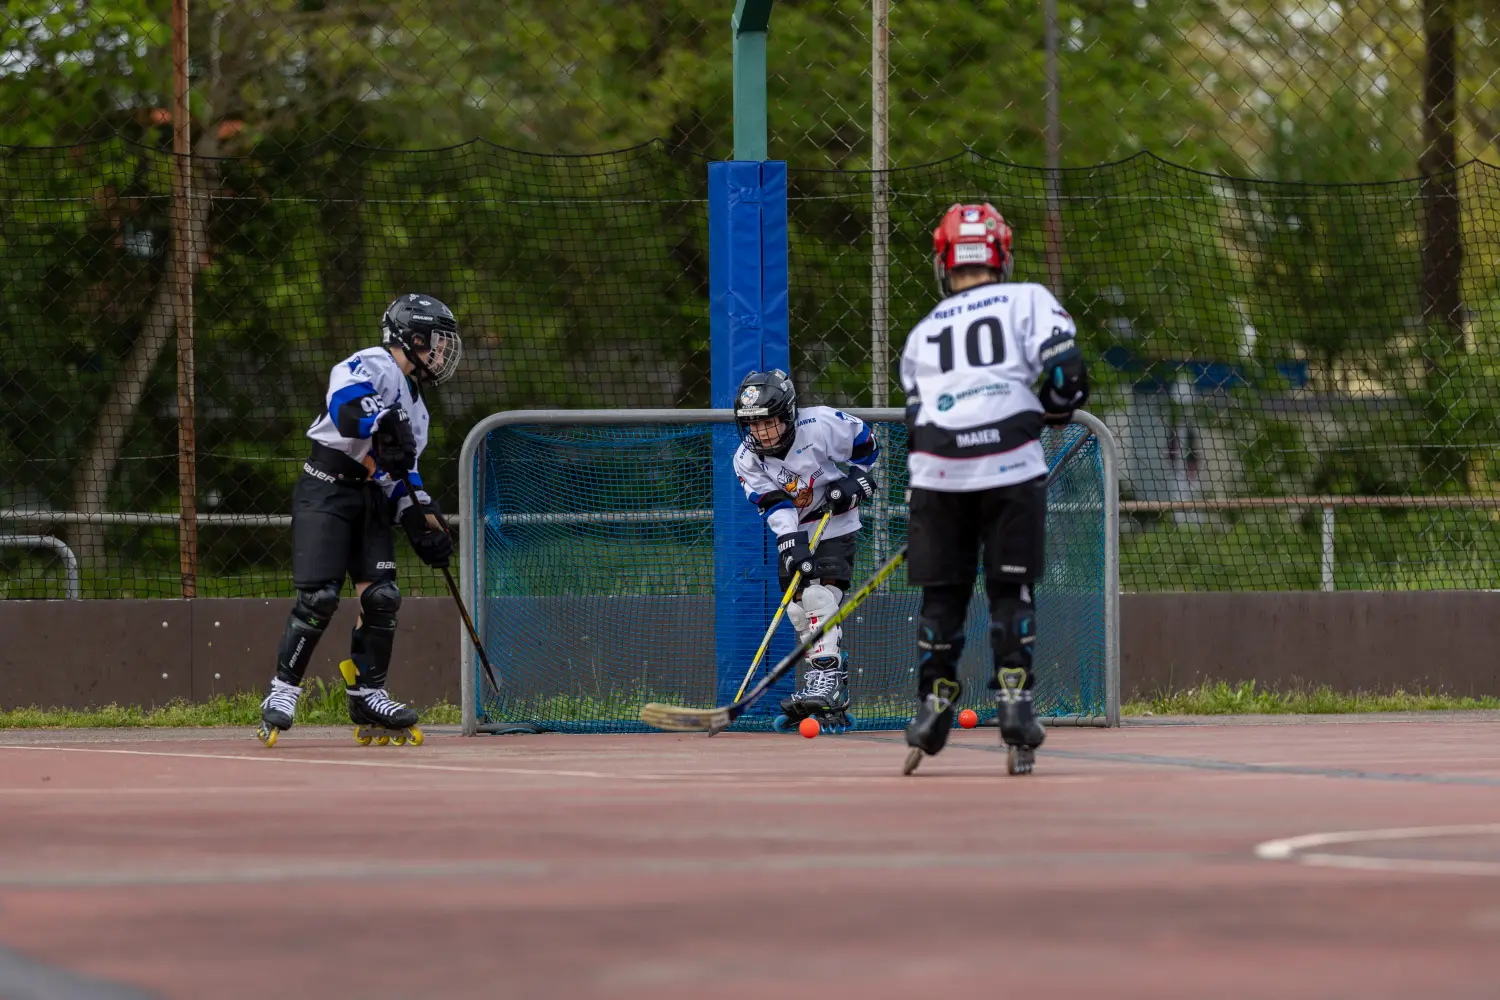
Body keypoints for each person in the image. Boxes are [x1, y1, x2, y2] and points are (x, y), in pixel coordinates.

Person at [899, 203, 1088, 776]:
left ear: (944, 260)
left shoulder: (922, 332)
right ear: (1000, 255)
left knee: (943, 593)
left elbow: (914, 418)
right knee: (1011, 588)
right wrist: (1053, 414)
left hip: (937, 468)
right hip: (1010, 459)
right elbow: (1068, 377)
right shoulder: (1028, 298)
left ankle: (933, 703)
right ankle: (1014, 701)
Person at [256, 293, 463, 747]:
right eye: (438, 344)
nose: (443, 354)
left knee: (384, 597)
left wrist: (421, 517)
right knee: (320, 598)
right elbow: (347, 410)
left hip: (370, 497)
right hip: (326, 488)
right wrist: (383, 420)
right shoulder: (370, 363)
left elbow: (401, 474)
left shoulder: (420, 409)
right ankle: (283, 690)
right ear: (413, 338)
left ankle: (368, 692)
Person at [732, 369, 879, 734]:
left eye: (768, 423)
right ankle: (826, 683)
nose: (760, 433)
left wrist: (858, 481)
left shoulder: (821, 424)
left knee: (819, 595)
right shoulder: (746, 459)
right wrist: (789, 540)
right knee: (798, 609)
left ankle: (826, 680)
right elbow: (773, 502)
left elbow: (867, 446)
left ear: (787, 415)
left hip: (836, 519)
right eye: (752, 425)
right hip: (797, 523)